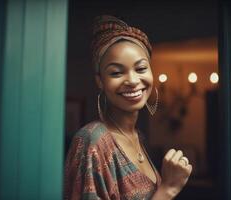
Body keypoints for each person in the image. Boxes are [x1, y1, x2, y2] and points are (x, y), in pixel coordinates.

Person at [64, 15, 192, 200]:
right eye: (116, 72)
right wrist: (168, 189)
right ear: (100, 81)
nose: (132, 81)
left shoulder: (139, 137)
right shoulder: (92, 141)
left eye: (140, 69)